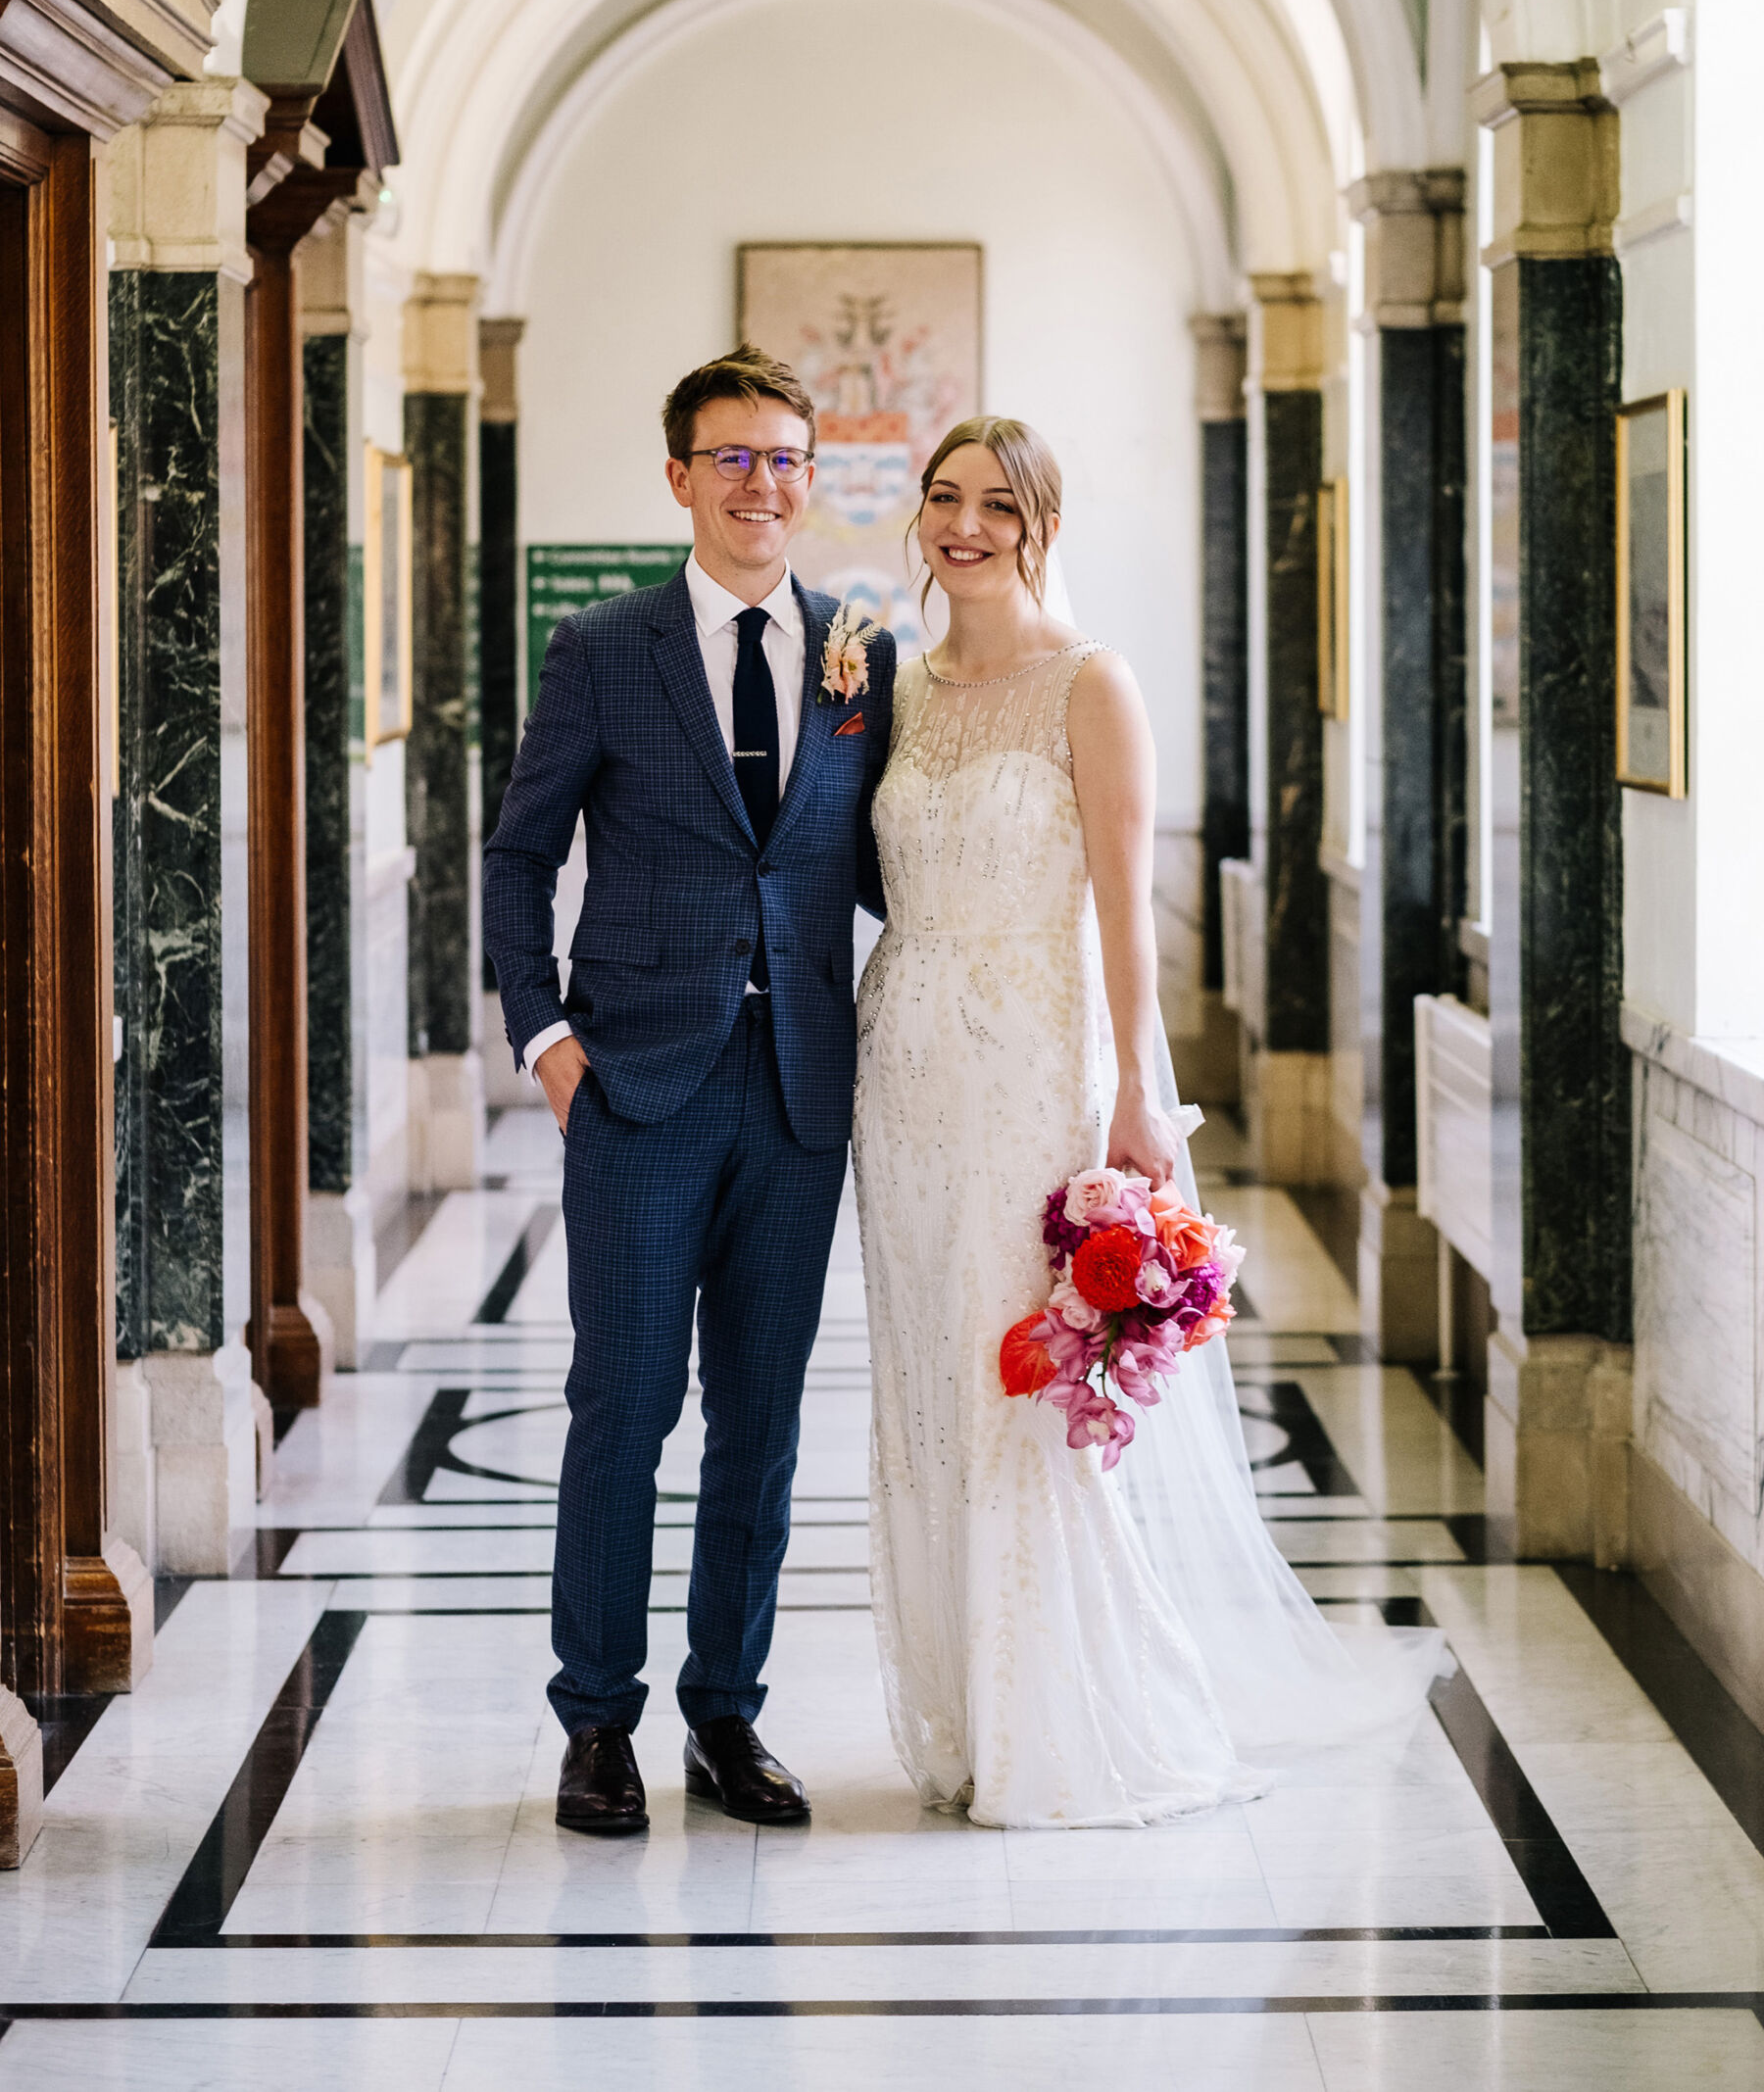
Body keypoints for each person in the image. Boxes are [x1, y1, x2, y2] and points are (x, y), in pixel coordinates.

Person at [852, 415, 1437, 1828]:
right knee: (931, 1383)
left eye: (999, 503)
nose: (966, 525)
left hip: (1035, 1075)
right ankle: (970, 1716)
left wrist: (1133, 1095)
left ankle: (1066, 1720)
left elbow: (1126, 915)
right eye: (945, 498)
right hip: (904, 1070)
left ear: (1043, 523)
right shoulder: (898, 687)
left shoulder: (1091, 686)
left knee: (1026, 1392)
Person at [484, 349, 895, 1836]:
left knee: (764, 1419)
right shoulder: (603, 647)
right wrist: (544, 1040)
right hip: (637, 1092)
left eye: (786, 458)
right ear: (679, 477)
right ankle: (597, 1724)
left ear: (811, 477)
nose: (761, 484)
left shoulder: (864, 651)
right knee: (623, 1406)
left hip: (799, 1098)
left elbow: (874, 867)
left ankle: (730, 1714)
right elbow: (520, 852)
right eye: (731, 458)